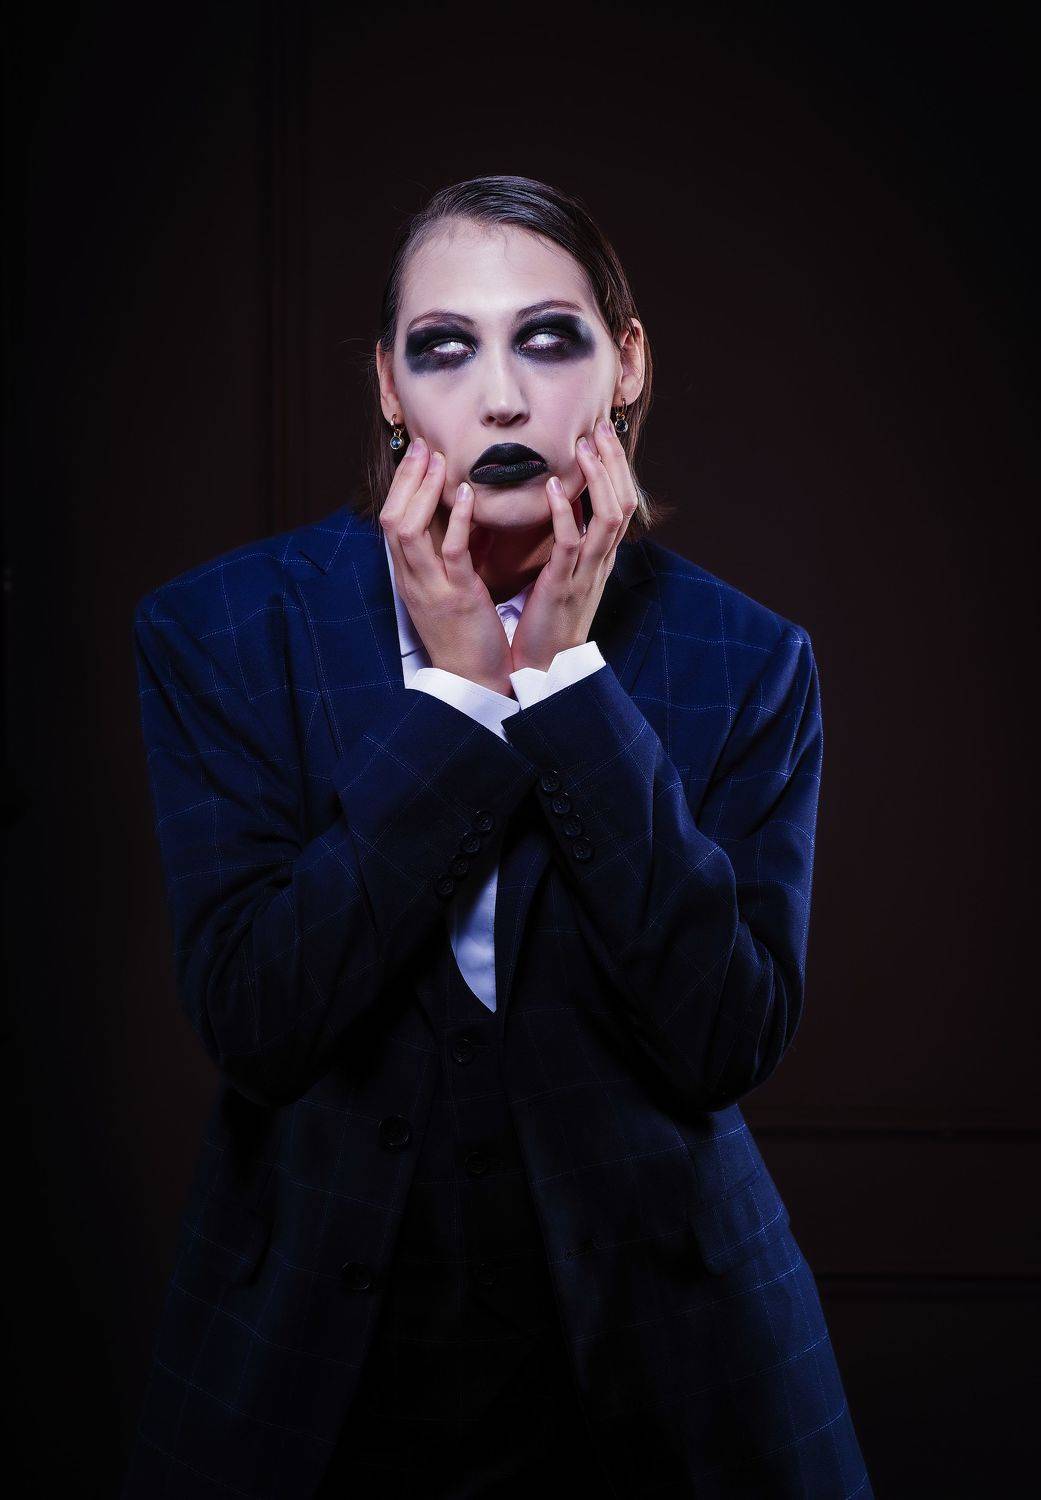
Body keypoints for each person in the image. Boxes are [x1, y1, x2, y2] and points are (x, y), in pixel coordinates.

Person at [121, 174, 875, 1498]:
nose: (504, 398)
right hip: (318, 1368)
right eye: (445, 348)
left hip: (668, 1368)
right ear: (387, 387)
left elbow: (722, 1040)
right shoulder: (223, 633)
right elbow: (257, 1019)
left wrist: (567, 688)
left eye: (548, 338)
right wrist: (460, 703)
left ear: (625, 366)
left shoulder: (749, 661)